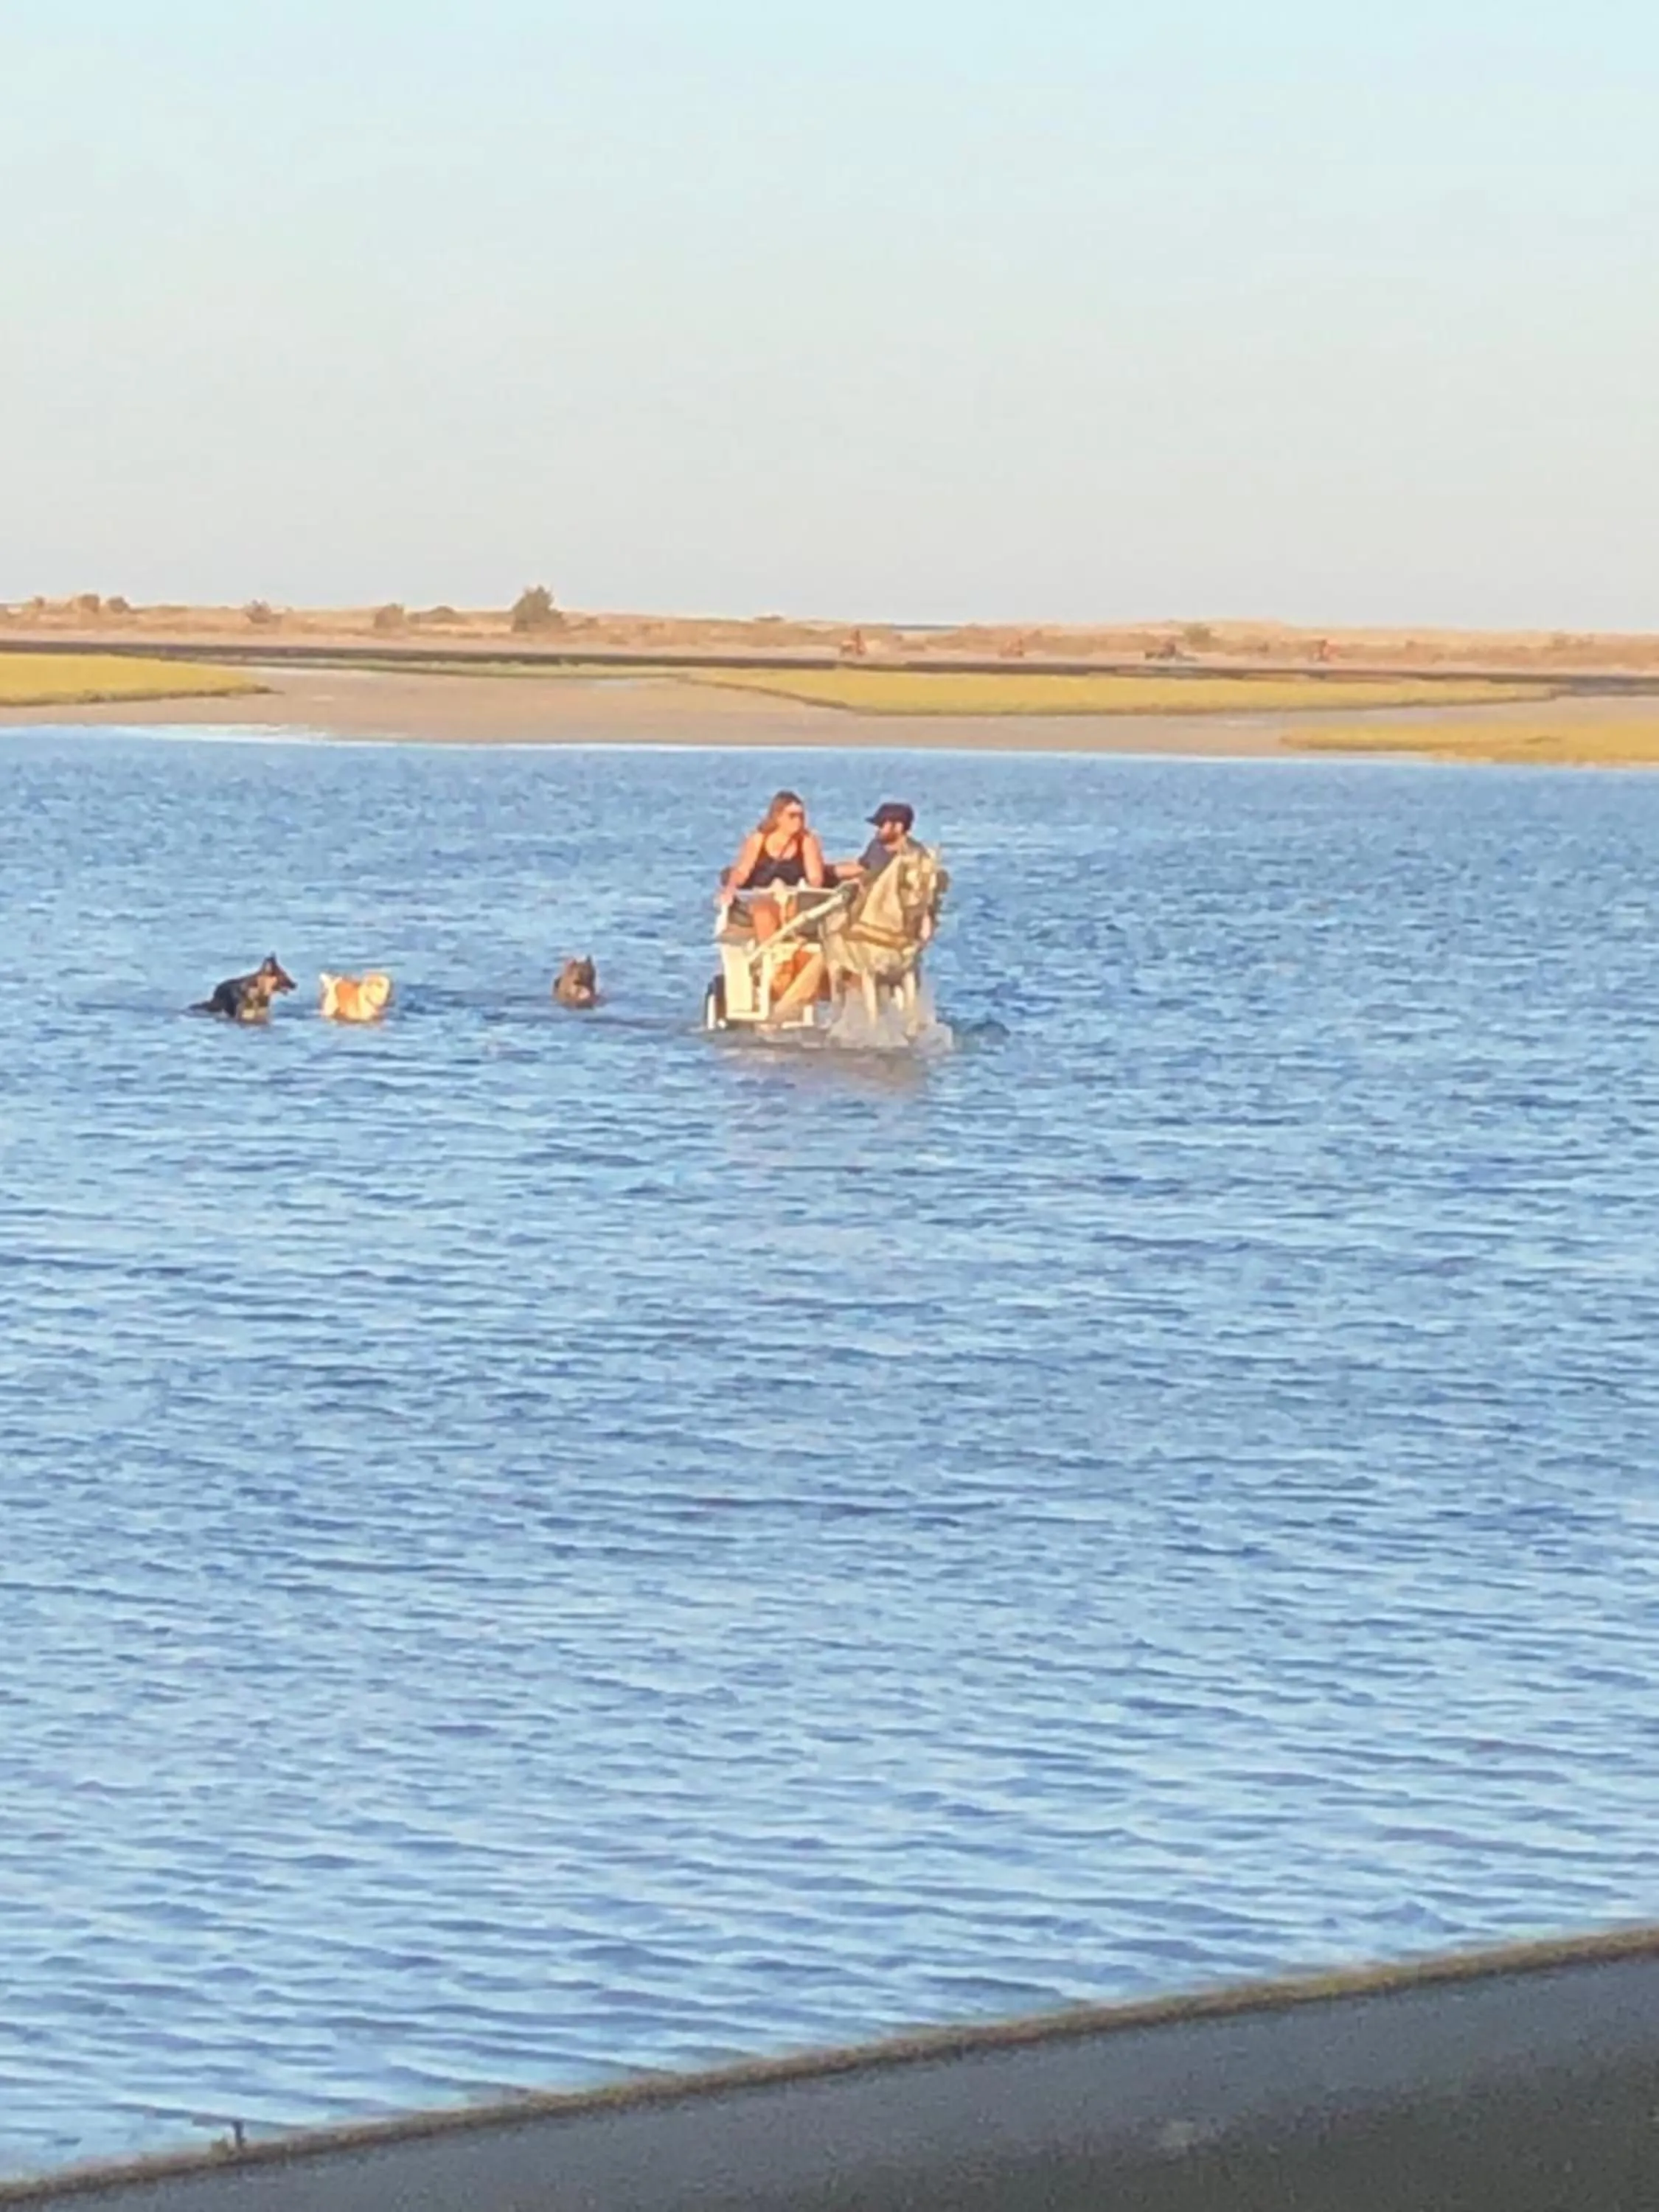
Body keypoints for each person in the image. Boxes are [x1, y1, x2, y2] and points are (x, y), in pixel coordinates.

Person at [718, 790, 827, 945]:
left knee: (793, 912)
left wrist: (810, 890)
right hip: (763, 895)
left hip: (792, 896)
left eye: (801, 816)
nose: (798, 821)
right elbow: (742, 871)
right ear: (778, 817)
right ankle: (771, 954)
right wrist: (731, 888)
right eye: (792, 816)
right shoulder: (759, 839)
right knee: (764, 913)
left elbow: (815, 877)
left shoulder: (807, 840)